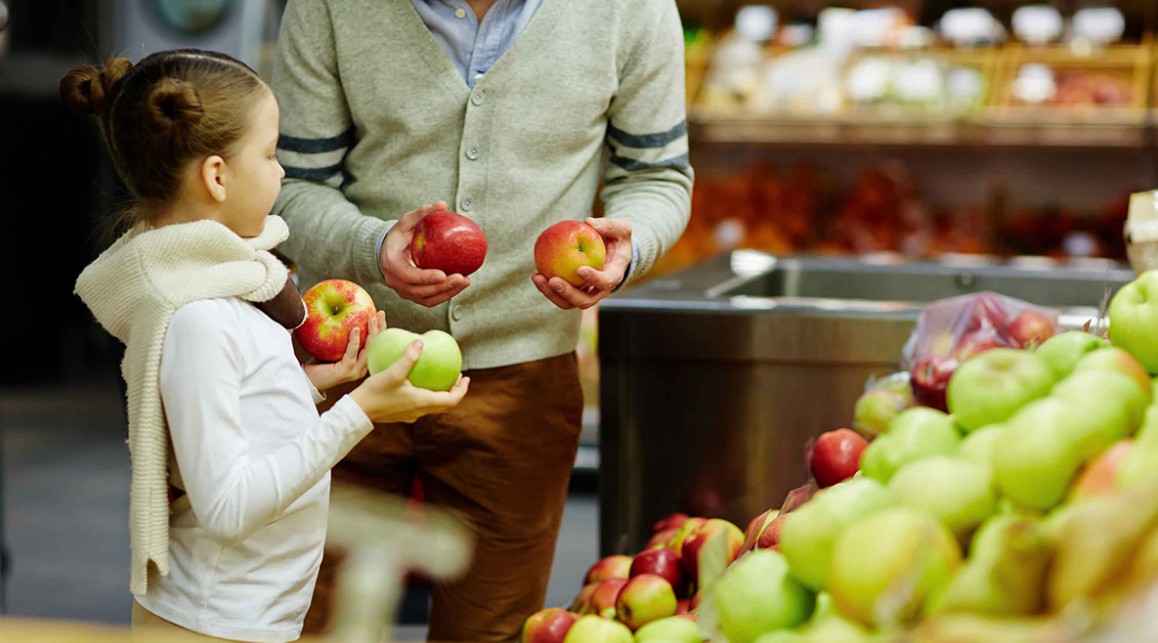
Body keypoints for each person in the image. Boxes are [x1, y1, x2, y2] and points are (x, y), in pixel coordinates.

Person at [271, 0, 694, 639]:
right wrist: (372, 246)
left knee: (490, 631)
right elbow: (293, 182)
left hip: (523, 377)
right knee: (306, 624)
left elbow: (658, 174)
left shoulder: (629, 10)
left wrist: (627, 249)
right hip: (343, 368)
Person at [63, 49, 469, 643]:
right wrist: (361, 413)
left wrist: (306, 387)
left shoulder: (226, 284)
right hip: (209, 624)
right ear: (217, 176)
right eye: (271, 153)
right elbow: (228, 510)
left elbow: (231, 416)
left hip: (245, 617)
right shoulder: (199, 315)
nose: (281, 174)